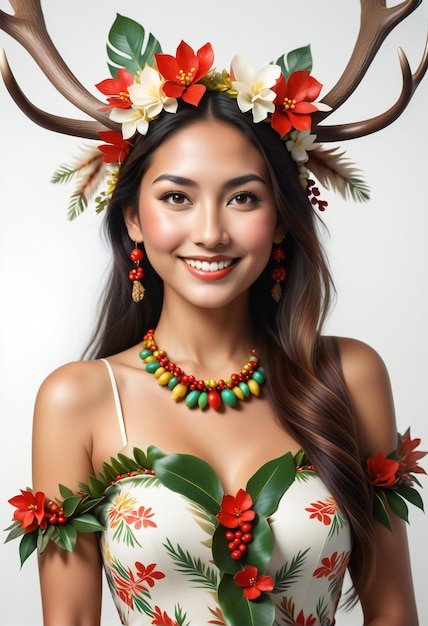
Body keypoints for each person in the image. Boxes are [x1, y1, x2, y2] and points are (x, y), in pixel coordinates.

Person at [2, 7, 427, 626]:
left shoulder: (350, 375)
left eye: (243, 198)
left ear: (281, 217)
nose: (209, 232)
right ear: (132, 219)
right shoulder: (79, 400)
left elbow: (395, 614)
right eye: (177, 197)